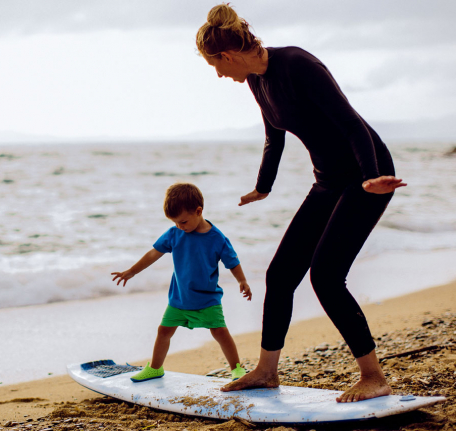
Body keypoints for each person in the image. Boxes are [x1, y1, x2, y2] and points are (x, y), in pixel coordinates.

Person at [195, 4, 407, 403]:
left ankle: (374, 377)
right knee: (280, 275)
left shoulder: (298, 64)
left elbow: (351, 123)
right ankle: (266, 372)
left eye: (216, 67)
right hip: (327, 182)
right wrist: (263, 187)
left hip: (367, 177)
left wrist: (371, 177)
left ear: (226, 56)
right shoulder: (258, 82)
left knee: (326, 276)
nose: (221, 76)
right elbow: (275, 136)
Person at [111, 182, 253, 382]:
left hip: (207, 299)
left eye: (183, 222)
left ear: (198, 211)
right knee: (163, 331)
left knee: (220, 332)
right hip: (179, 299)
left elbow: (233, 262)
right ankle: (155, 368)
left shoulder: (217, 238)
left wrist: (242, 281)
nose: (179, 226)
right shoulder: (174, 233)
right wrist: (132, 271)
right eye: (175, 222)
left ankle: (236, 368)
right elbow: (154, 253)